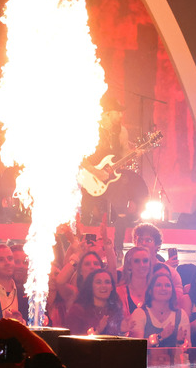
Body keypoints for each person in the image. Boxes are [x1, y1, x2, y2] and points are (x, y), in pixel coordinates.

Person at [80, 95, 149, 262]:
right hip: (90, 177)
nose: (120, 116)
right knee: (88, 215)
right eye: (117, 112)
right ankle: (85, 253)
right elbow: (79, 156)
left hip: (112, 179)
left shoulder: (121, 131)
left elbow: (124, 154)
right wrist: (96, 172)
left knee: (121, 213)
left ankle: (117, 252)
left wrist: (135, 153)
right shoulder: (90, 128)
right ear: (107, 113)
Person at [126, 272, 190, 347]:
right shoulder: (139, 313)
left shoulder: (181, 315)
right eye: (158, 285)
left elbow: (187, 349)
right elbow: (136, 347)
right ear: (150, 291)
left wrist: (180, 342)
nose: (163, 289)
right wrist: (159, 337)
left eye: (167, 285)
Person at [66, 268, 124, 335]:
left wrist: (123, 331)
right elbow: (72, 341)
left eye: (107, 282)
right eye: (98, 282)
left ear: (112, 288)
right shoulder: (78, 310)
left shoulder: (115, 310)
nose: (103, 286)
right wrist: (97, 331)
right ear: (91, 286)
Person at [116, 245, 154, 315]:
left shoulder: (157, 290)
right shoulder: (119, 292)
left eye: (145, 261)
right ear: (129, 265)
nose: (142, 265)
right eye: (137, 261)